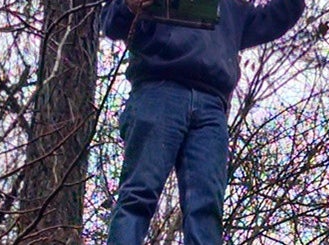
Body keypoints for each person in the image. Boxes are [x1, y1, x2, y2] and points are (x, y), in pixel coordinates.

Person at [100, 0, 305, 243]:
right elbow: (111, 22)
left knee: (206, 209)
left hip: (212, 105)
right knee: (138, 196)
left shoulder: (231, 6)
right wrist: (129, 5)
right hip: (158, 90)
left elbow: (277, 16)